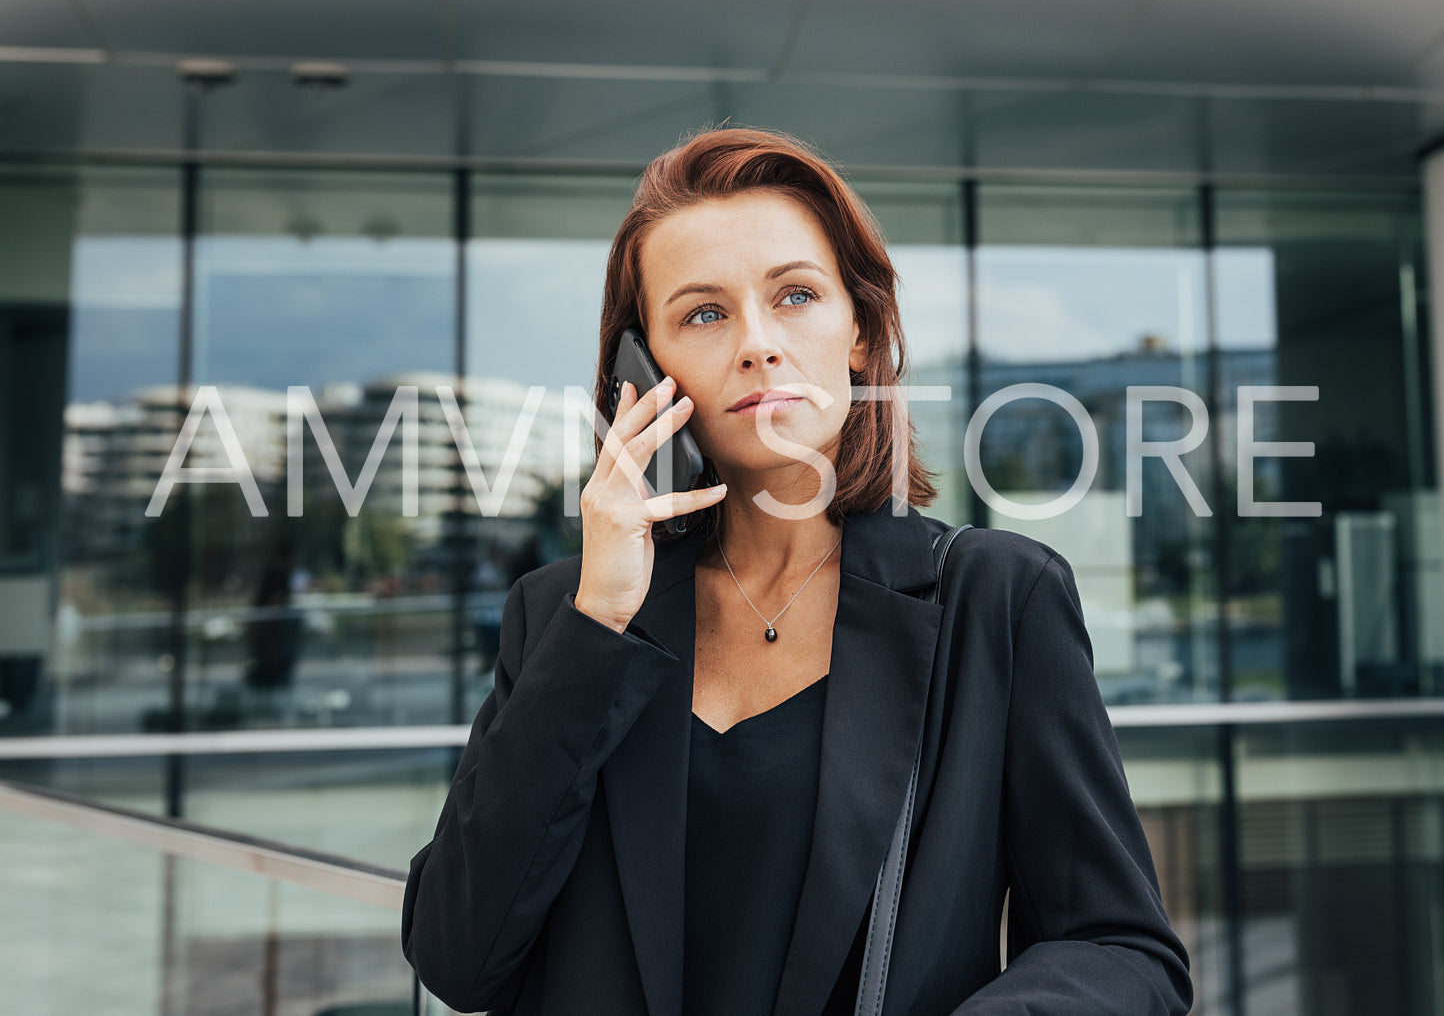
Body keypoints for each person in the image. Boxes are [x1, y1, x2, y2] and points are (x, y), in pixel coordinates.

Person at [401, 126, 1194, 1016]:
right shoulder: (563, 617)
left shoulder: (996, 602)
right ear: (644, 373)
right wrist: (597, 625)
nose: (756, 344)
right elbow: (457, 958)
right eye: (703, 313)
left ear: (859, 331)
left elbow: (1120, 948)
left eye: (796, 296)